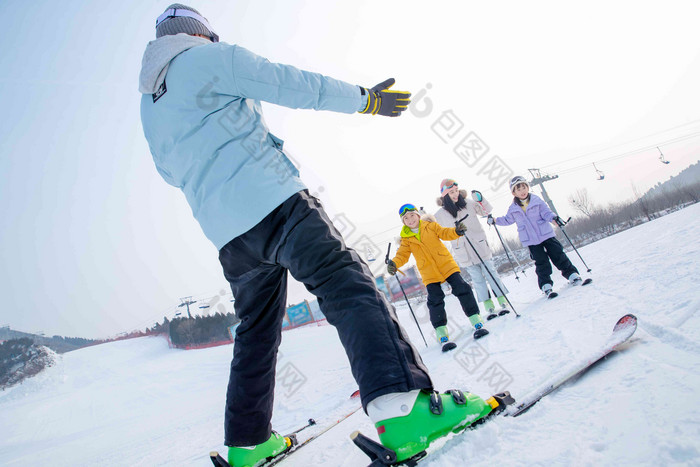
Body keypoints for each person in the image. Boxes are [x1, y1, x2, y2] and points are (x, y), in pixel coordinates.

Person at [138, 5, 496, 465]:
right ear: (199, 34)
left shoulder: (149, 105)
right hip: (276, 202)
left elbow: (169, 173)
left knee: (256, 331)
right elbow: (288, 81)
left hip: (228, 236)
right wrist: (367, 99)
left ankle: (247, 444)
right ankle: (402, 407)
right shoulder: (208, 57)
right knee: (348, 286)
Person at [388, 203, 489, 346]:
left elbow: (445, 233)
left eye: (412, 215)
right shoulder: (406, 239)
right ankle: (441, 331)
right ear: (403, 222)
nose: (410, 220)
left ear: (417, 215)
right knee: (435, 300)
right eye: (406, 218)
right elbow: (402, 255)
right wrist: (394, 264)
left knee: (462, 288)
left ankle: (475, 318)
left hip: (446, 264)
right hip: (429, 272)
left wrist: (456, 232)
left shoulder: (430, 226)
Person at [488, 176, 582, 297]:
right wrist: (495, 220)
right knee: (541, 262)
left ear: (528, 187)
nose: (522, 191)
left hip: (546, 234)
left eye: (524, 187)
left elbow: (546, 212)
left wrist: (554, 218)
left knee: (558, 254)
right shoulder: (513, 209)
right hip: (531, 240)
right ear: (513, 193)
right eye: (519, 189)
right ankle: (546, 285)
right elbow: (507, 220)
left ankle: (571, 274)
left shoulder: (536, 201)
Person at [434, 179, 511, 320]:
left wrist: (481, 199)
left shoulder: (468, 203)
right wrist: (424, 218)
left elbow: (485, 211)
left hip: (479, 245)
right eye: (451, 192)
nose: (455, 194)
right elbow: (434, 229)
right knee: (477, 280)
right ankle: (489, 306)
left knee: (491, 273)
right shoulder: (440, 214)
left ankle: (502, 300)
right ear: (445, 195)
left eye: (456, 190)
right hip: (463, 252)